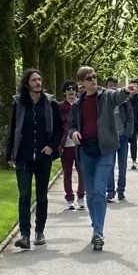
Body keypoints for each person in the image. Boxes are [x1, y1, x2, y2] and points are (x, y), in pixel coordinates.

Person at [69, 66, 138, 251]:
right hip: (86, 151)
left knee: (99, 191)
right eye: (88, 78)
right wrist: (74, 133)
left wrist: (126, 90)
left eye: (94, 76)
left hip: (105, 151)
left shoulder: (106, 96)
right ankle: (96, 225)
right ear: (81, 83)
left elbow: (118, 97)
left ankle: (98, 232)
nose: (93, 79)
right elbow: (72, 126)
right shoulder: (77, 103)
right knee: (91, 194)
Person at [6, 69, 63, 249]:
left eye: (39, 79)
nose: (38, 82)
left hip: (43, 156)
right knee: (24, 195)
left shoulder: (50, 103)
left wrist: (51, 146)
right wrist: (9, 154)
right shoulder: (18, 104)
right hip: (23, 157)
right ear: (26, 83)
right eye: (34, 80)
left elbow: (60, 129)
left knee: (41, 196)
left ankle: (39, 231)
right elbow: (12, 129)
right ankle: (25, 235)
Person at [57, 80, 85, 210]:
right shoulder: (60, 106)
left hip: (80, 144)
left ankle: (81, 196)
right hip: (66, 145)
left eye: (73, 88)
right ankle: (69, 198)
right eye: (68, 89)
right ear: (64, 92)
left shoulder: (81, 105)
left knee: (82, 172)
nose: (71, 91)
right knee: (67, 173)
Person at [105, 75, 134, 201]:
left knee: (122, 165)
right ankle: (110, 191)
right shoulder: (103, 101)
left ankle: (121, 190)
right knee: (109, 165)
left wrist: (127, 133)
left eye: (114, 85)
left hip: (122, 136)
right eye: (110, 85)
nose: (112, 88)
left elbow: (130, 118)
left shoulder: (124, 101)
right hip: (110, 138)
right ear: (106, 87)